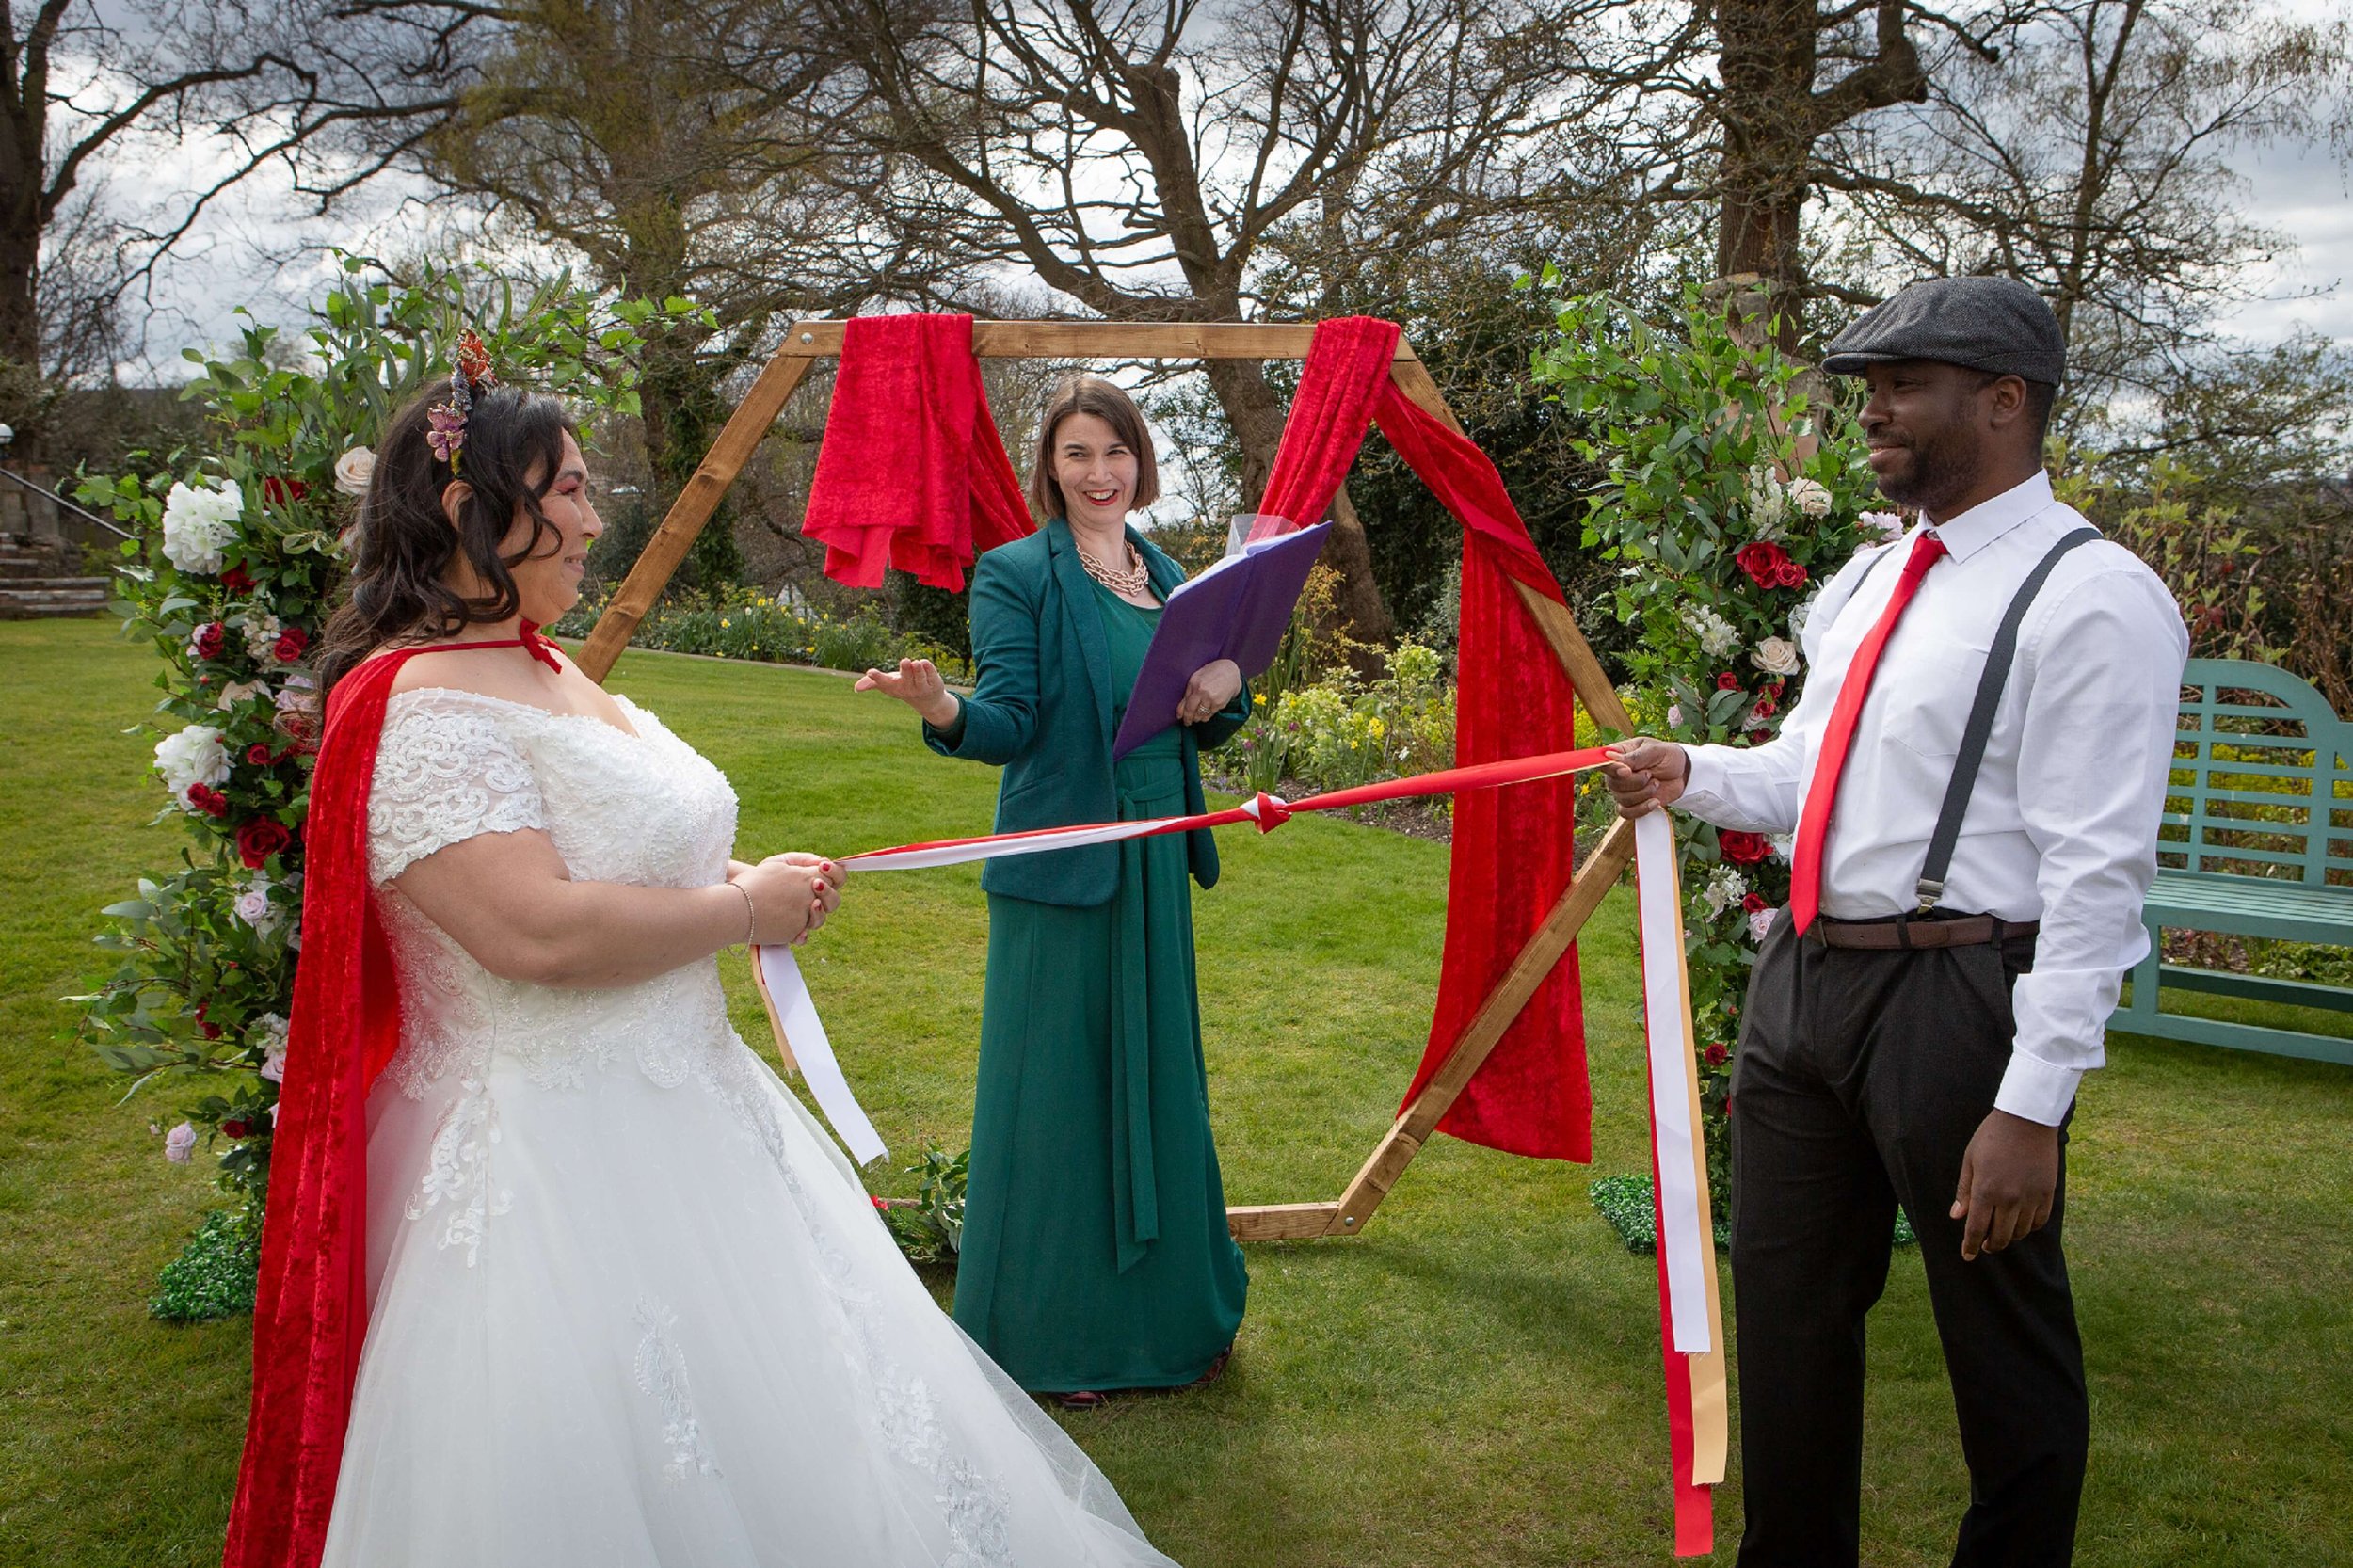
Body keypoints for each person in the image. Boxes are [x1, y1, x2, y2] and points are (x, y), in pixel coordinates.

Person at [225, 362, 1181, 1568]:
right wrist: (740, 912)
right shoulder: (418, 709)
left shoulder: (545, 665)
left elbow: (624, 846)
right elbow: (534, 933)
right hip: (547, 1168)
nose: (592, 515)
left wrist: (739, 881)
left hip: (691, 1112)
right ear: (477, 512)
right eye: (568, 490)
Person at [1604, 278, 2187, 1567]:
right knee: (1790, 1315)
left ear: (2004, 401)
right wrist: (1689, 771)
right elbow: (1809, 771)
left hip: (1960, 998)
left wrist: (2032, 1104)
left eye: (1901, 387)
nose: (1871, 411)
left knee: (2002, 1337)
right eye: (1867, 386)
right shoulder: (1869, 577)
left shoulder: (2093, 594)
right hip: (1805, 987)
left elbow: (2098, 874)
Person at [857, 374, 1251, 1406]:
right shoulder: (1014, 572)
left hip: (1156, 866)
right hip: (1065, 867)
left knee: (1158, 1082)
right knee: (1055, 1102)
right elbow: (1012, 722)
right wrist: (945, 706)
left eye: (1113, 452)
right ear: (1049, 467)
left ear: (1140, 462)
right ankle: (1044, 1338)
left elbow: (1192, 712)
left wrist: (1228, 691)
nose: (1098, 473)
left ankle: (1172, 1320)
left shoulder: (1168, 576)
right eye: (1076, 453)